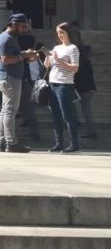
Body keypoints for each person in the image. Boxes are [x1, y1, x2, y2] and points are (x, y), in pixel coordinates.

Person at [0, 13, 36, 153]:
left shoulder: (8, 38)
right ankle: (11, 143)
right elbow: (5, 59)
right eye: (22, 26)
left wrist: (24, 53)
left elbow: (11, 56)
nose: (24, 29)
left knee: (5, 111)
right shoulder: (6, 39)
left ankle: (2, 142)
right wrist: (24, 55)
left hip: (6, 77)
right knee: (10, 111)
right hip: (10, 77)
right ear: (12, 24)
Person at [42, 21, 81, 153]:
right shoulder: (56, 48)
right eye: (58, 32)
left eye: (62, 32)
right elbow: (47, 66)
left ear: (68, 33)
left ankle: (74, 143)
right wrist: (47, 57)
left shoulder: (73, 48)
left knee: (67, 114)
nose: (59, 35)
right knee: (56, 114)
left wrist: (59, 61)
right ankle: (59, 143)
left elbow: (75, 68)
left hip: (65, 85)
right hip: (52, 83)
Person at [72, 23, 98, 140]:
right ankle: (91, 131)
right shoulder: (84, 51)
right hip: (87, 86)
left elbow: (77, 70)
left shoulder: (77, 52)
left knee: (86, 110)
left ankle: (91, 132)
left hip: (83, 87)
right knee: (86, 110)